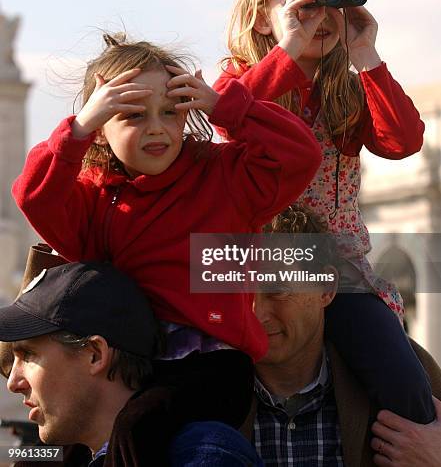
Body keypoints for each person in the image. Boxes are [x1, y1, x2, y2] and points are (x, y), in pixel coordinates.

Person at [10, 33, 321, 450]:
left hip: (211, 364)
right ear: (101, 133)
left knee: (135, 430)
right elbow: (34, 196)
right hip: (131, 365)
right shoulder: (96, 196)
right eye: (133, 115)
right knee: (52, 451)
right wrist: (79, 127)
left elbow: (301, 155)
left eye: (170, 112)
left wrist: (224, 105)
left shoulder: (221, 176)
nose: (156, 129)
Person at [212, 0, 434, 424]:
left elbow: (402, 141)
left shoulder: (346, 91)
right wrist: (288, 51)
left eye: (334, 1)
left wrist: (366, 55)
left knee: (402, 380)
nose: (322, 17)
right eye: (305, 5)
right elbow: (230, 118)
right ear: (259, 17)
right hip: (254, 265)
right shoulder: (240, 79)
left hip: (337, 268)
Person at [0, 261, 264, 466]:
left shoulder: (200, 454)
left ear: (95, 354)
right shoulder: (62, 458)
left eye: (29, 355)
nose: (13, 382)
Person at [239, 206, 441, 466]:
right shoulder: (202, 396)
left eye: (277, 291)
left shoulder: (406, 376)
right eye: (241, 294)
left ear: (326, 289)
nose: (257, 314)